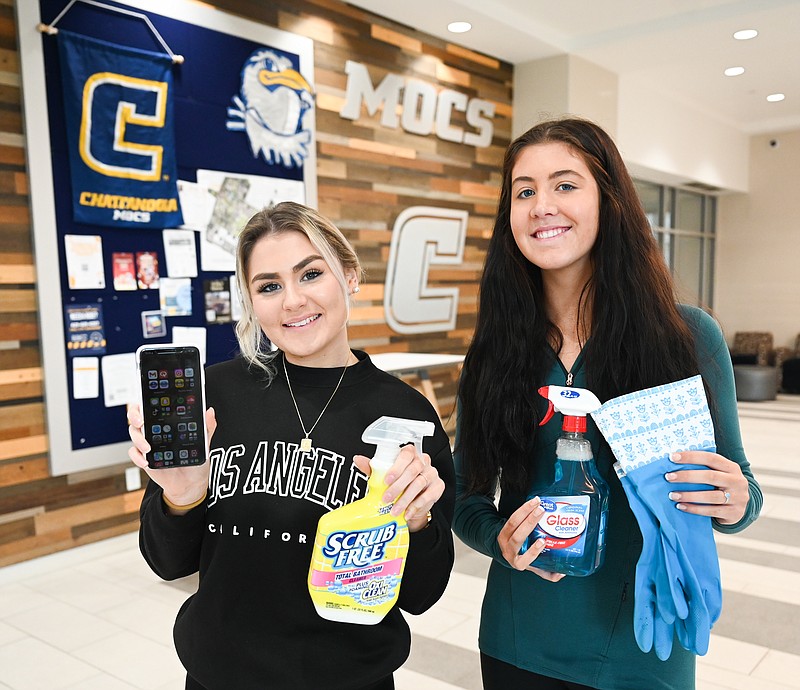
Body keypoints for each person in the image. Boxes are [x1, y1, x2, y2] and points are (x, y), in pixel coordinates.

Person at [452, 117, 762, 690]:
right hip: (519, 641)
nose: (542, 204)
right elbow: (464, 498)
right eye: (525, 191)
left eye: (565, 185)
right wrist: (498, 539)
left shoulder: (684, 338)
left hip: (644, 649)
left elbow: (742, 493)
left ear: (610, 201)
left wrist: (734, 498)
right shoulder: (494, 355)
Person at [127, 201, 455, 690]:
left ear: (349, 275)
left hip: (349, 677)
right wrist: (182, 496)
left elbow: (422, 592)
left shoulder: (405, 414)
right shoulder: (214, 396)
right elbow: (167, 562)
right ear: (253, 302)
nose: (293, 301)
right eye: (269, 286)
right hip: (219, 674)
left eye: (311, 274)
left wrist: (416, 522)